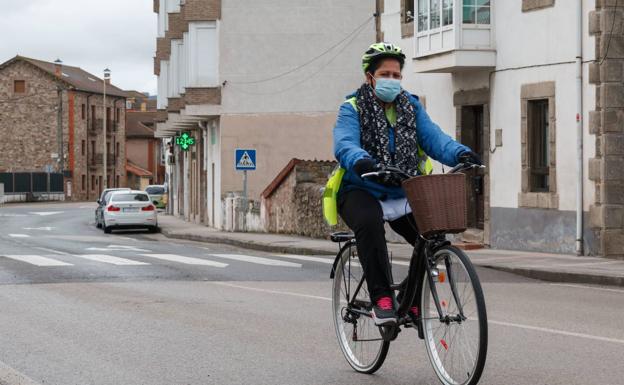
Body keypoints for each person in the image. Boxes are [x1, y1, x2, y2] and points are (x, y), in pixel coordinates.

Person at [332, 42, 482, 325]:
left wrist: (460, 152)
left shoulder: (410, 106)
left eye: (396, 75)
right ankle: (382, 299)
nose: (392, 80)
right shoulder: (351, 107)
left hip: (400, 187)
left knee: (430, 236)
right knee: (370, 224)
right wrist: (362, 161)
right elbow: (344, 142)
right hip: (360, 187)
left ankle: (412, 302)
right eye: (385, 74)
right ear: (370, 77)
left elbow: (434, 138)